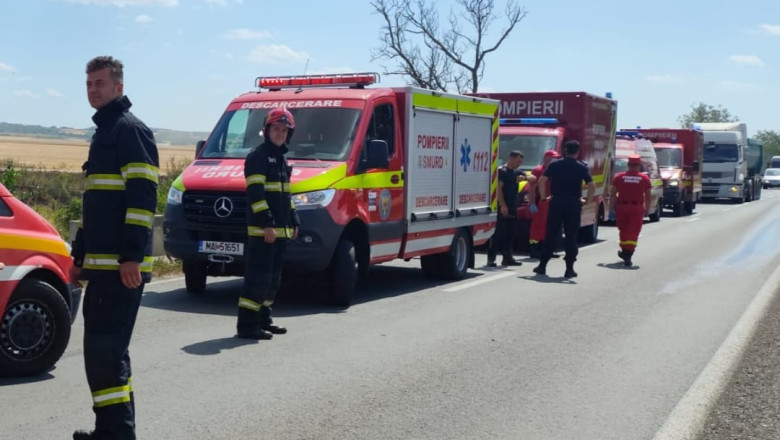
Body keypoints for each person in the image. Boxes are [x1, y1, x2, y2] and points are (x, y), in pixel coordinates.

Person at [71, 56, 159, 440]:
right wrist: (79, 258)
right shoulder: (105, 132)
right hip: (103, 268)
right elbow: (95, 207)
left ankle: (117, 434)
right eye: (89, 83)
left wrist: (132, 257)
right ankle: (112, 431)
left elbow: (143, 200)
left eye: (100, 83)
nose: (93, 89)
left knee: (107, 355)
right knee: (103, 355)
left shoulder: (129, 131)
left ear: (119, 88)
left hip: (121, 269)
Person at [236, 107, 300, 340]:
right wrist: (267, 225)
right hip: (264, 231)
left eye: (285, 130)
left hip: (280, 231)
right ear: (267, 130)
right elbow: (256, 195)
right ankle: (247, 326)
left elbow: (285, 195)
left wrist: (294, 220)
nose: (280, 133)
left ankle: (264, 319)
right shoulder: (258, 157)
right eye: (276, 128)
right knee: (258, 279)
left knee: (273, 280)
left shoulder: (282, 160)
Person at [533, 140, 595, 278]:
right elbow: (591, 186)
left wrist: (544, 197)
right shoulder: (581, 166)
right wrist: (587, 201)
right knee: (571, 236)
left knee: (550, 234)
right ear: (578, 152)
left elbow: (542, 181)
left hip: (556, 202)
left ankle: (542, 266)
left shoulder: (555, 164)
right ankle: (569, 269)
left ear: (565, 150)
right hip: (573, 203)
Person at [487, 150, 527, 267]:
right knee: (497, 233)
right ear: (511, 158)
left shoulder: (516, 172)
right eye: (518, 161)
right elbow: (498, 189)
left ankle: (507, 258)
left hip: (512, 205)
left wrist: (523, 178)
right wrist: (502, 205)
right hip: (502, 206)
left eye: (521, 162)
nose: (519, 164)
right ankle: (491, 259)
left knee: (510, 233)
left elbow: (532, 177)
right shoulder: (502, 171)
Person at [610, 154, 652, 267]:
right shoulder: (644, 178)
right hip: (636, 208)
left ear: (628, 165)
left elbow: (613, 195)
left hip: (622, 207)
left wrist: (610, 209)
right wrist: (647, 209)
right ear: (639, 165)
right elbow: (648, 196)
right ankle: (628, 254)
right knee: (633, 232)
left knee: (623, 230)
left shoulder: (619, 177)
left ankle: (625, 252)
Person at [527, 149, 561, 259]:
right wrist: (532, 203)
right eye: (553, 158)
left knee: (549, 227)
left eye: (556, 158)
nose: (555, 160)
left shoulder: (555, 170)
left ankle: (546, 249)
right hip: (540, 202)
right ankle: (534, 249)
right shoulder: (538, 170)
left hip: (551, 202)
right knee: (537, 227)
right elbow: (532, 189)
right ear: (546, 158)